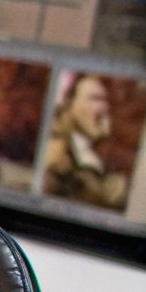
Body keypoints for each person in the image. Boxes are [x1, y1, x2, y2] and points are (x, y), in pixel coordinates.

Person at [42, 74, 129, 210]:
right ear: (69, 104)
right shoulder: (56, 153)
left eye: (106, 100)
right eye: (95, 98)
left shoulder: (102, 158)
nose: (104, 107)